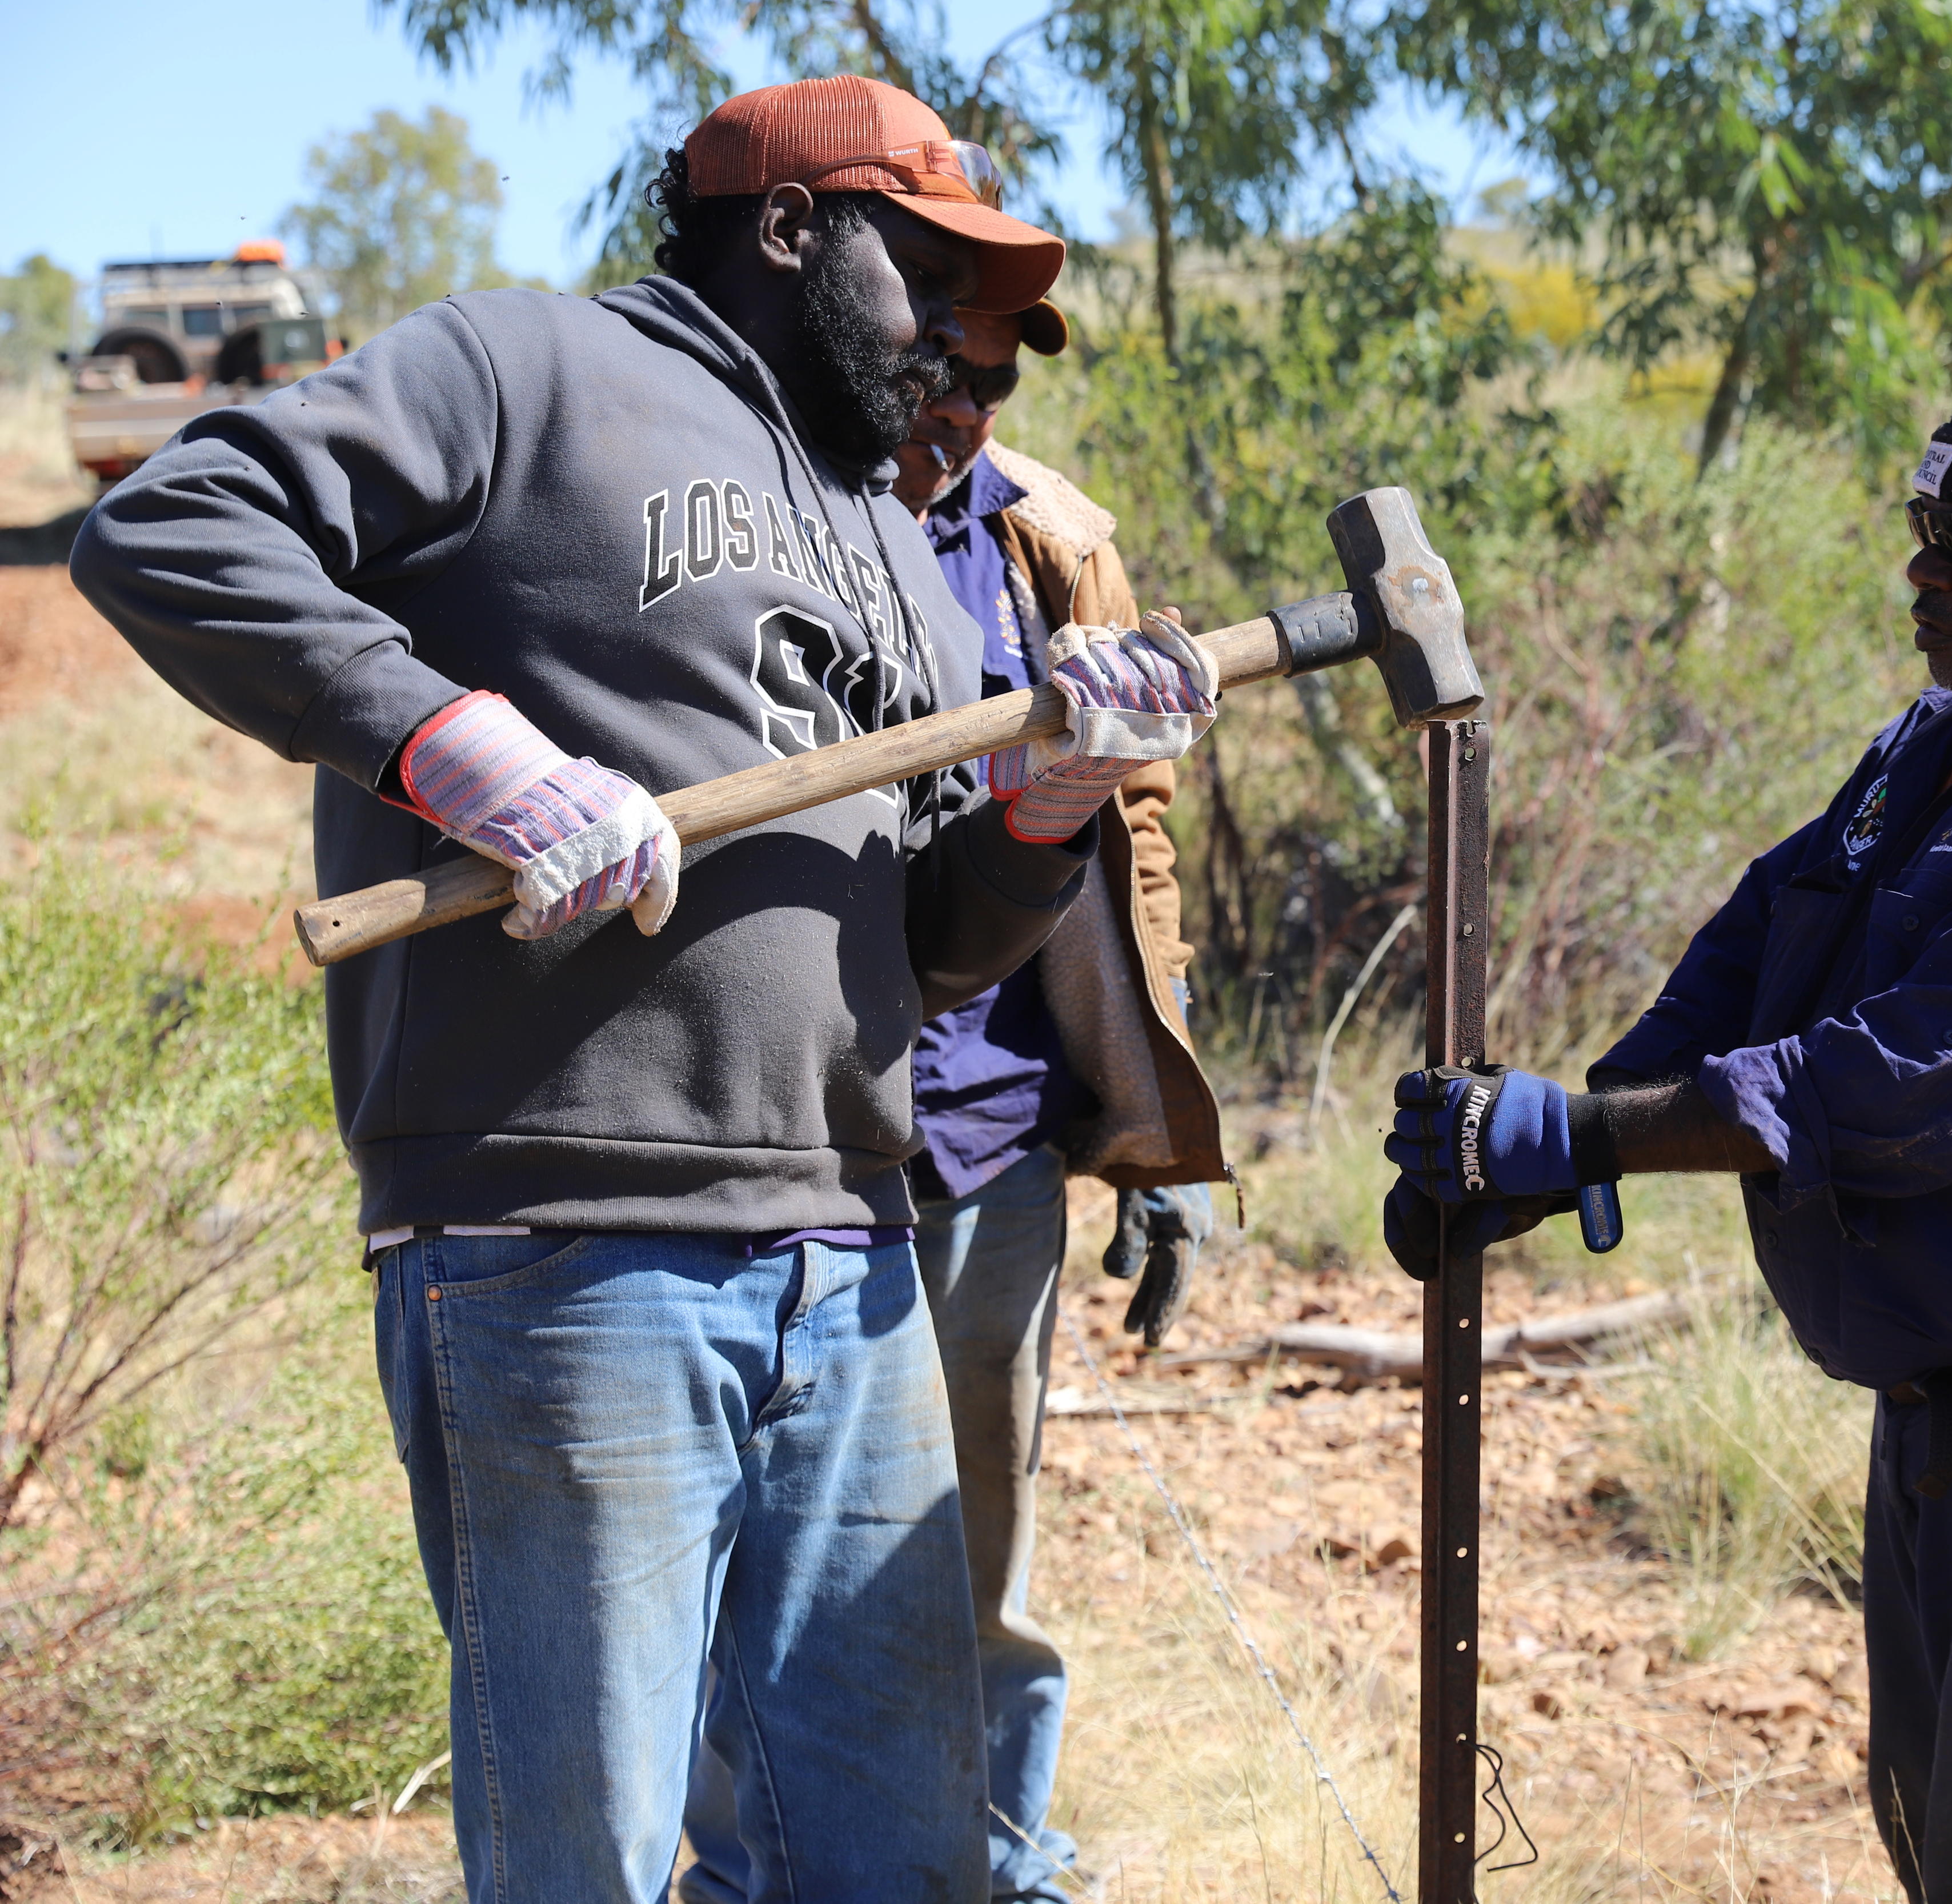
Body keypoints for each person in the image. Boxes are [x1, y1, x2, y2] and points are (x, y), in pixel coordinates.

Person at [70, 73, 1219, 1904]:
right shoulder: (523, 372)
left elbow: (932, 950)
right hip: (564, 1242)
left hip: (852, 1255)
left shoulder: (890, 540)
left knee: (891, 1858)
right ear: (788, 231)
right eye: (921, 266)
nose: (948, 332)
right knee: (585, 1862)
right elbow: (173, 529)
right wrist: (448, 747)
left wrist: (1047, 808)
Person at [1379, 304, 1952, 1903]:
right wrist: (1552, 1139)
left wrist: (1583, 1141)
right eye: (1921, 528)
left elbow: (1904, 1086)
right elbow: (1767, 932)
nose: (1923, 572)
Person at [686, 296, 1229, 1904]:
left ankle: (1001, 1856)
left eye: (991, 383)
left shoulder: (1048, 542)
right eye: (934, 374)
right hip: (787, 1140)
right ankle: (749, 1871)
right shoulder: (757, 515)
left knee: (969, 1532)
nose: (966, 413)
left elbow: (1134, 832)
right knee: (764, 1546)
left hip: (986, 1138)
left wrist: (1158, 1127)